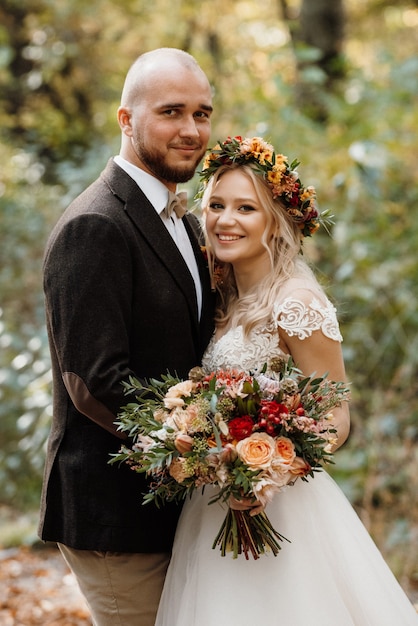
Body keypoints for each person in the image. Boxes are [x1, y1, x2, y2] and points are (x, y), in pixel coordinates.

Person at [155, 136, 418, 625]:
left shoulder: (297, 301)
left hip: (281, 509)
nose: (224, 220)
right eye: (215, 205)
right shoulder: (224, 294)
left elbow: (337, 414)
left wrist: (271, 470)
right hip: (212, 505)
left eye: (245, 208)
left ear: (274, 222)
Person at [38, 48, 215, 626]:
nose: (191, 130)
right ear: (125, 119)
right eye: (171, 111)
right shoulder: (95, 224)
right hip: (116, 510)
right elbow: (94, 380)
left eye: (202, 113)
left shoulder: (185, 220)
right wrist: (201, 447)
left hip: (178, 509)